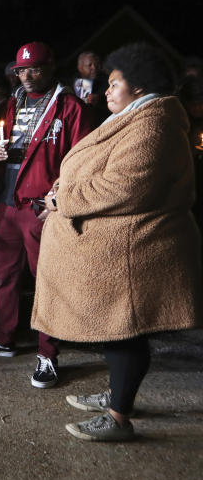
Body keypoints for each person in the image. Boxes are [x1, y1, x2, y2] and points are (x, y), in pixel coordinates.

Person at [32, 43, 202, 441]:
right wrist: (64, 189)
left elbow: (126, 185)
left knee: (125, 331)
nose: (106, 91)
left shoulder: (154, 123)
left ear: (139, 87)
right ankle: (119, 395)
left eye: (114, 83)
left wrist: (63, 200)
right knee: (118, 331)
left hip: (135, 250)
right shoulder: (137, 117)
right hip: (124, 249)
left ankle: (118, 417)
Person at [0, 42, 93, 388]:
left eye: (35, 68)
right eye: (21, 70)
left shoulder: (69, 106)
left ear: (51, 67)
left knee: (46, 282)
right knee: (5, 274)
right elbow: (8, 147)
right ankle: (4, 337)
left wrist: (58, 201)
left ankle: (48, 354)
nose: (28, 76)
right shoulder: (15, 101)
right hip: (9, 202)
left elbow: (81, 161)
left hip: (41, 208)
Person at [73, 50, 108, 119]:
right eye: (89, 65)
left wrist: (100, 99)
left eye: (96, 64)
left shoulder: (107, 78)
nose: (94, 68)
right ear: (80, 68)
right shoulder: (74, 85)